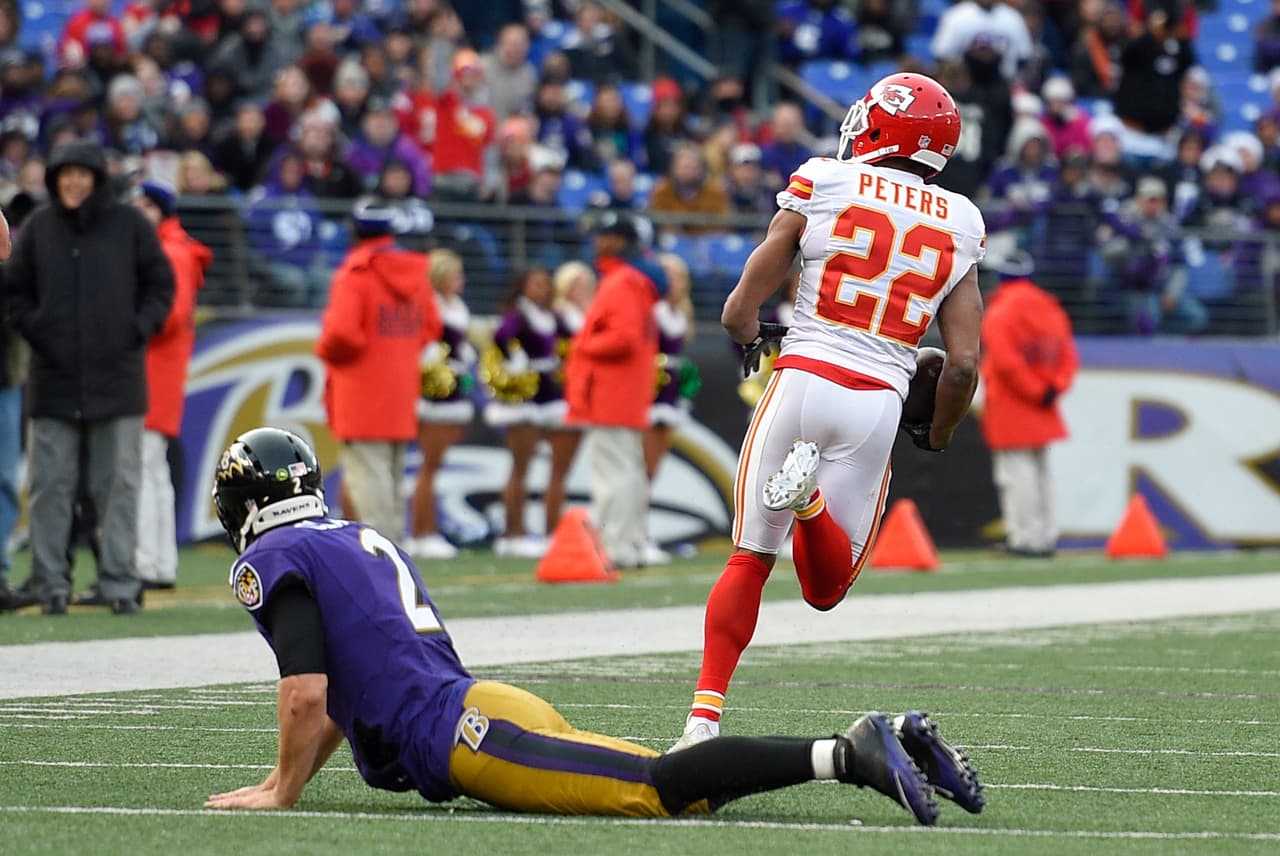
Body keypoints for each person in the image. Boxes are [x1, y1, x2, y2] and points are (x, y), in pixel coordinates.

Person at [206, 426, 981, 827]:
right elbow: (340, 689)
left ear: (243, 498)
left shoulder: (273, 556)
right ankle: (887, 741)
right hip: (484, 712)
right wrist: (292, 783)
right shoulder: (344, 538)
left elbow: (307, 692)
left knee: (657, 789)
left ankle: (852, 754)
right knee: (668, 786)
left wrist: (279, 794)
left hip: (470, 736)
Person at [673, 73, 986, 771]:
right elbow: (962, 365)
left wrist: (750, 333)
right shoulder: (960, 219)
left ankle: (701, 719)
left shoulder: (825, 179)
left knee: (749, 558)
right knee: (824, 589)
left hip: (801, 377)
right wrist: (938, 432)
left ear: (877, 127)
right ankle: (807, 500)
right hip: (878, 394)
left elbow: (738, 306)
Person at [4, 138, 174, 615]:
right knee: (48, 488)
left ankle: (120, 582)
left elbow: (161, 285)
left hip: (117, 380)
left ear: (98, 180)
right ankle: (48, 583)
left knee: (118, 487)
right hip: (53, 378)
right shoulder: (39, 227)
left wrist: (136, 330)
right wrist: (36, 328)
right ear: (55, 179)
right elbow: (13, 290)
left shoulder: (131, 227)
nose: (73, 182)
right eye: (65, 174)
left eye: (83, 174)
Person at [316, 197, 443, 544]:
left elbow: (341, 333)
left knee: (368, 481)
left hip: (360, 390)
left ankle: (384, 557)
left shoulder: (355, 274)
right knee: (390, 478)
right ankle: (394, 553)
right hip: (400, 390)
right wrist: (397, 352)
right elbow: (431, 327)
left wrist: (325, 349)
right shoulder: (416, 274)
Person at [564, 212, 665, 569]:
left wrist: (583, 344)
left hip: (612, 390)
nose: (597, 241)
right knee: (629, 471)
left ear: (620, 241)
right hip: (627, 390)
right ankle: (632, 544)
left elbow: (622, 336)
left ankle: (615, 547)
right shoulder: (633, 281)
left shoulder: (620, 281)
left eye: (605, 235)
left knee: (613, 475)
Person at [131, 181, 211, 591]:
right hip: (158, 374)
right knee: (154, 471)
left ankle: (148, 562)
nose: (138, 211)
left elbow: (165, 317)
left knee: (143, 470)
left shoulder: (169, 252)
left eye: (147, 204)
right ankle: (159, 562)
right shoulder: (173, 249)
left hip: (150, 374)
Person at [978, 252, 1077, 557]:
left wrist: (1032, 389)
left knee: (1015, 474)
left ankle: (1024, 537)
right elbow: (1067, 354)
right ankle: (1046, 535)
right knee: (1041, 471)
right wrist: (1051, 388)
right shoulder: (1050, 306)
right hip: (1044, 402)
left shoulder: (1000, 311)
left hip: (1012, 403)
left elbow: (1006, 361)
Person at [483, 268, 579, 558]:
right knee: (520, 468)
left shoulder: (553, 315)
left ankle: (551, 533)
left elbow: (574, 340)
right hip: (524, 399)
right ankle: (513, 533)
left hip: (551, 397)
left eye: (545, 284)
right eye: (535, 284)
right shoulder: (518, 315)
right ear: (523, 287)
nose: (541, 289)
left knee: (556, 471)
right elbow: (500, 338)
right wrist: (516, 363)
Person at [406, 249, 475, 561]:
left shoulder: (455, 305)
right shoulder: (428, 304)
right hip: (435, 392)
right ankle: (422, 533)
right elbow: (423, 344)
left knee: (435, 466)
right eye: (455, 274)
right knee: (429, 467)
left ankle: (427, 530)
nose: (460, 280)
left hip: (454, 388)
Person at [644, 253, 700, 566]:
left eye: (678, 276)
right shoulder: (651, 311)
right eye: (667, 275)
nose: (672, 282)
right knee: (642, 468)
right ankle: (637, 535)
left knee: (652, 470)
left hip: (669, 393)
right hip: (649, 393)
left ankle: (644, 533)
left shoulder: (679, 313)